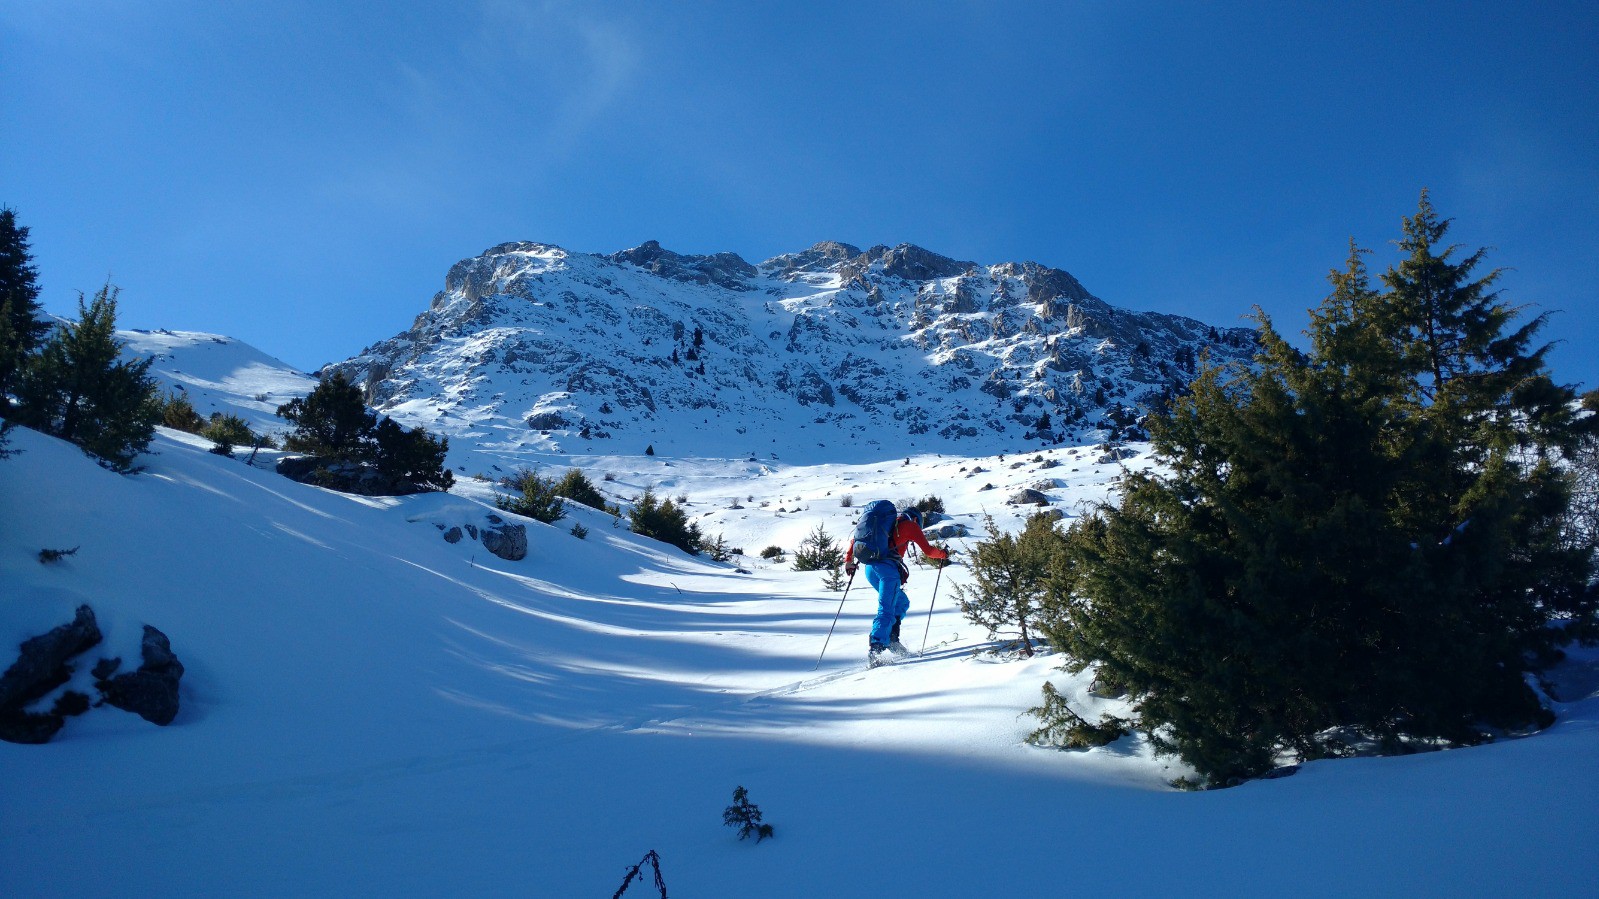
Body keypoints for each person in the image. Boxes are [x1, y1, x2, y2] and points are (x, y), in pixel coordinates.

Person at [845, 507, 950, 659]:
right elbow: (928, 551)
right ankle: (876, 646)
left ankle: (892, 640)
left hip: (870, 569)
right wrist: (943, 554)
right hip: (887, 570)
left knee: (900, 602)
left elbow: (854, 540)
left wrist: (848, 561)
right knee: (886, 608)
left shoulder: (884, 524)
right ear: (916, 520)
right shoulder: (910, 525)